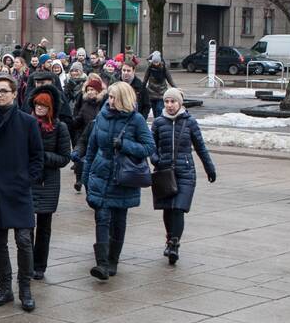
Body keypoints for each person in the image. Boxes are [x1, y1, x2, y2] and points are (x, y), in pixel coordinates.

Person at [0, 74, 42, 312]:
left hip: (20, 189)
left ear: (14, 94)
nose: (0, 94)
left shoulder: (28, 122)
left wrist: (28, 180)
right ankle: (5, 288)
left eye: (4, 91)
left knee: (24, 240)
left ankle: (25, 288)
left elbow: (37, 156)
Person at [82, 81, 156, 281]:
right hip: (100, 174)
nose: (110, 100)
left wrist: (125, 145)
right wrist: (85, 176)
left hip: (123, 177)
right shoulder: (102, 116)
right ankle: (102, 263)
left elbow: (149, 147)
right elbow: (91, 149)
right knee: (101, 218)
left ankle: (113, 260)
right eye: (110, 96)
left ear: (123, 98)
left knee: (118, 221)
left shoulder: (136, 119)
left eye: (114, 97)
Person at [151, 88, 216, 265]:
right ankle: (170, 238)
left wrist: (209, 168)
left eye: (173, 102)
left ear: (180, 103)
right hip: (164, 172)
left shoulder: (190, 123)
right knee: (168, 208)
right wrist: (157, 160)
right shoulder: (158, 123)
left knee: (178, 208)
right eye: (167, 102)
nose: (170, 105)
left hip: (185, 172)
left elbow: (201, 147)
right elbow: (151, 146)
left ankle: (174, 244)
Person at [28, 85, 71, 280]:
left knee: (44, 227)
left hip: (48, 182)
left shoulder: (59, 128)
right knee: (26, 225)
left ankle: (39, 265)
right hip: (28, 179)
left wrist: (42, 156)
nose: (39, 108)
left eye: (44, 106)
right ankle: (26, 262)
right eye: (37, 104)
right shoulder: (27, 123)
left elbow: (64, 158)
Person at [71, 74, 106, 191]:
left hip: (99, 138)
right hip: (85, 136)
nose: (90, 92)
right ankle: (80, 180)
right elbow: (78, 120)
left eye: (92, 90)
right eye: (88, 90)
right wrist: (68, 121)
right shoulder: (85, 104)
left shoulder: (104, 104)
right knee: (81, 161)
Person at [144, 52, 177, 120]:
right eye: (154, 62)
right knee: (154, 110)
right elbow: (145, 79)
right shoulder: (150, 67)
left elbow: (169, 79)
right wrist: (141, 88)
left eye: (157, 62)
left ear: (159, 61)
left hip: (161, 93)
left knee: (159, 109)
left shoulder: (163, 67)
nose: (155, 64)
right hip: (151, 92)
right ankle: (157, 123)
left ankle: (159, 122)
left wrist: (175, 88)